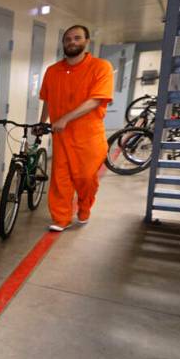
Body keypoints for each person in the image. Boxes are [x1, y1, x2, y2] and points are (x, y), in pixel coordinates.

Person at [36, 25, 114, 232]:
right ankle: (60, 218)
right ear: (63, 43)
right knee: (60, 178)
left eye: (77, 38)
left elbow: (97, 99)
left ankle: (84, 208)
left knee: (86, 179)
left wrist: (65, 119)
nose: (72, 42)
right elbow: (47, 99)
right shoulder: (53, 71)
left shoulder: (101, 67)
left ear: (86, 41)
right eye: (68, 39)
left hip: (88, 136)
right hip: (61, 136)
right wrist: (43, 122)